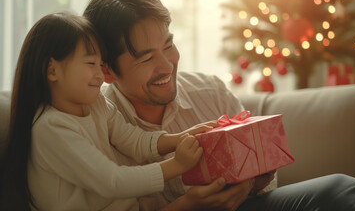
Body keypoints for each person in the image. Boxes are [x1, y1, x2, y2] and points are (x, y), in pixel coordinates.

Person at [84, 0, 355, 211]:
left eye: (168, 45)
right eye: (147, 59)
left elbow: (270, 178)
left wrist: (250, 183)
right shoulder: (95, 127)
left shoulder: (210, 91)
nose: (167, 66)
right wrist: (188, 206)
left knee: (339, 189)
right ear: (108, 72)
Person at [0, 12, 217, 211]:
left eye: (101, 65)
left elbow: (135, 140)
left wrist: (179, 139)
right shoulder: (51, 128)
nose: (100, 75)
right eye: (90, 63)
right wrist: (177, 165)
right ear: (52, 70)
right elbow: (112, 182)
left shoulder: (96, 104)